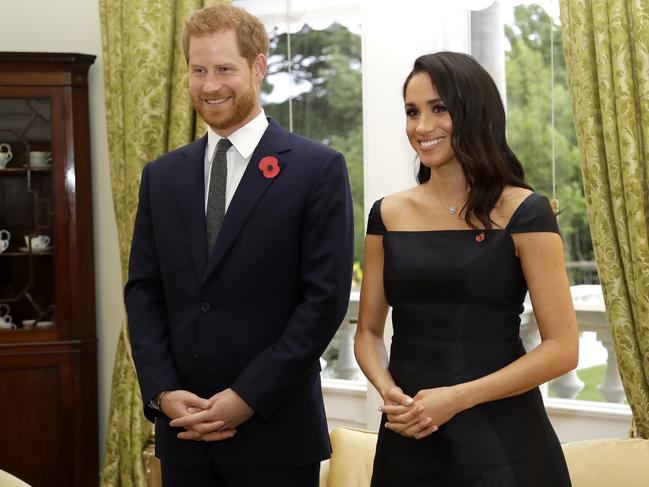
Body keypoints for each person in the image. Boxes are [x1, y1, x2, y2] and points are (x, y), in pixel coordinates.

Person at [124, 4, 354, 486]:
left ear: (258, 66)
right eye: (198, 70)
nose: (210, 85)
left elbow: (322, 301)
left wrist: (247, 396)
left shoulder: (317, 169)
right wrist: (163, 391)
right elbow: (144, 292)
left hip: (276, 435)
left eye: (225, 69)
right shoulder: (160, 176)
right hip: (182, 435)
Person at [354, 51, 579, 486]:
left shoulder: (525, 212)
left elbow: (563, 348)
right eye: (412, 112)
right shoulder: (387, 213)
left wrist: (456, 399)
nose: (422, 127)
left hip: (502, 440)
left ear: (475, 112)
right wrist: (389, 393)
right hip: (410, 434)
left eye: (440, 109)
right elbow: (367, 333)